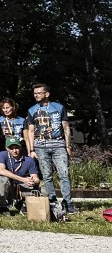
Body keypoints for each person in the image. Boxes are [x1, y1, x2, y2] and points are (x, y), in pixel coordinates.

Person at [25, 83, 75, 213]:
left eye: (39, 93)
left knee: (64, 174)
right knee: (47, 176)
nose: (36, 95)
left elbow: (65, 127)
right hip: (40, 146)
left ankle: (67, 202)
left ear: (46, 94)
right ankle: (52, 201)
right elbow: (30, 131)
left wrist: (68, 145)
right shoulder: (32, 110)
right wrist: (31, 150)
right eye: (35, 93)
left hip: (58, 145)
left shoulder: (59, 107)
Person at [0, 136, 41, 213]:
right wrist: (23, 179)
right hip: (9, 187)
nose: (14, 151)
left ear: (20, 147)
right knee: (2, 179)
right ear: (7, 149)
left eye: (16, 147)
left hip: (22, 187)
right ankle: (3, 206)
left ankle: (22, 203)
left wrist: (33, 181)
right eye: (11, 148)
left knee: (44, 191)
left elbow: (36, 178)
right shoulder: (3, 155)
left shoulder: (29, 160)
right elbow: (1, 171)